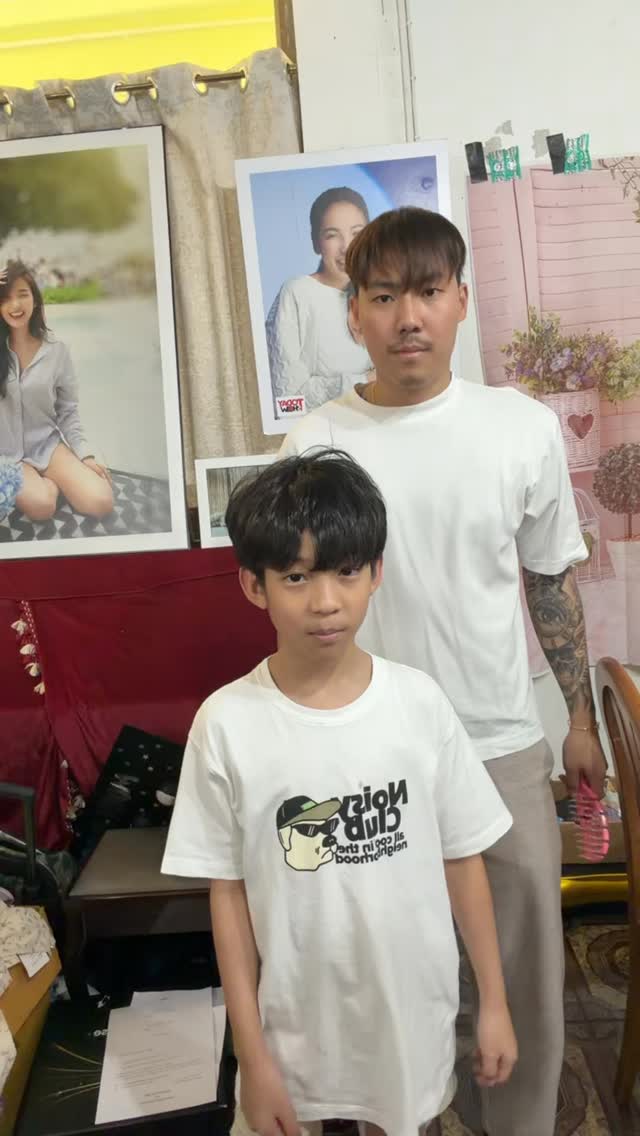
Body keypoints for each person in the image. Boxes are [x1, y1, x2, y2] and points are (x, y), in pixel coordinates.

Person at [280, 208, 609, 1136]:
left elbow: (550, 584)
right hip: (367, 755)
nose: (409, 317)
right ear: (353, 313)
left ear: (462, 299)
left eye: (428, 292)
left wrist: (579, 720)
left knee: (526, 979)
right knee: (393, 980)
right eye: (384, 296)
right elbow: (297, 608)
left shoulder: (520, 428)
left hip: (499, 745)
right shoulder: (315, 449)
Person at [162, 449, 517, 1136]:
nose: (325, 602)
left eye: (346, 571)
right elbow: (227, 895)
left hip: (409, 1013)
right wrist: (251, 1055)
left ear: (376, 573)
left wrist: (494, 1003)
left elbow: (462, 858)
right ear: (255, 585)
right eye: (296, 577)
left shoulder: (419, 704)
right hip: (295, 1030)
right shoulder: (226, 724)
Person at [0, 260, 113, 523]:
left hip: (46, 446)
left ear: (35, 300)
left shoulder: (56, 351)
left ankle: (53, 479)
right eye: (5, 298)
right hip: (6, 455)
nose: (15, 305)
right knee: (41, 506)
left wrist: (85, 454)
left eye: (23, 294)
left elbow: (67, 411)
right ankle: (47, 486)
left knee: (101, 501)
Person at [266, 188, 373, 414]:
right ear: (316, 242)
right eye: (332, 235)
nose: (347, 247)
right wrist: (365, 381)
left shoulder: (382, 295)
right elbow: (287, 404)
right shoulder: (297, 293)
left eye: (357, 233)